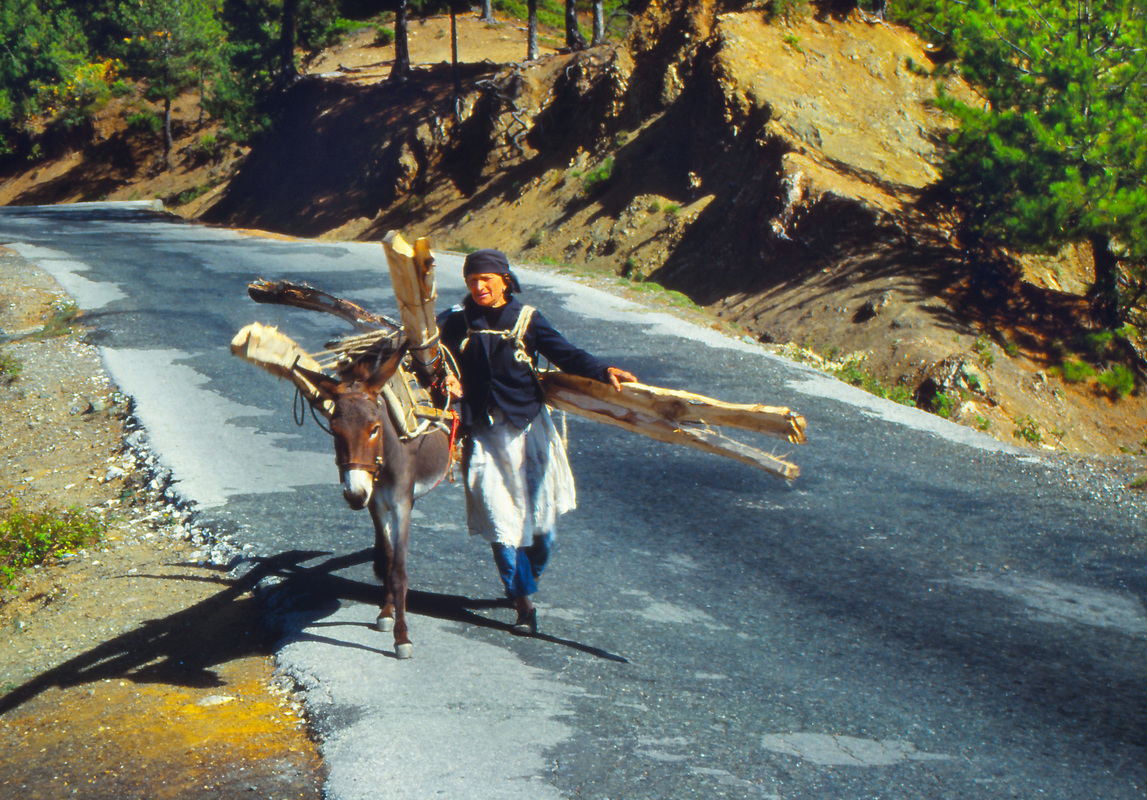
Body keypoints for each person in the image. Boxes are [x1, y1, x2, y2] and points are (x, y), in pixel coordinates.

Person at [438, 248, 636, 635]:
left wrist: (603, 369)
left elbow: (566, 354)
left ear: (505, 280)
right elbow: (434, 356)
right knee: (501, 522)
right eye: (472, 281)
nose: (478, 287)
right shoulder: (457, 322)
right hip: (486, 434)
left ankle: (528, 576)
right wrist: (445, 376)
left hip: (529, 431)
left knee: (543, 529)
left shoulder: (528, 320)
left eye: (486, 280)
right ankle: (523, 603)